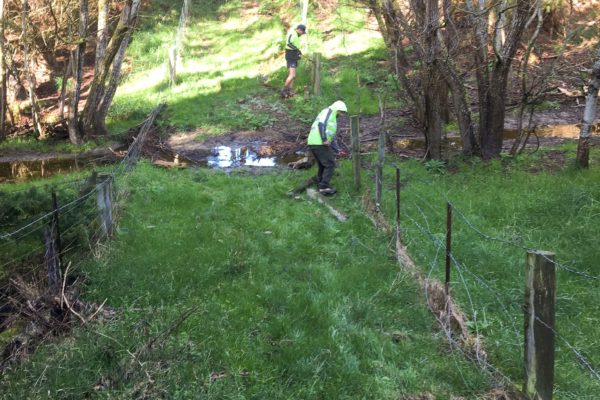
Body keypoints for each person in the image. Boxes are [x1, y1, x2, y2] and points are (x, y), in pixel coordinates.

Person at [307, 100, 348, 195]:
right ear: (337, 109)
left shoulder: (332, 117)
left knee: (323, 164)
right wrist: (324, 139)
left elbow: (332, 138)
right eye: (341, 112)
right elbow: (321, 124)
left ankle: (320, 183)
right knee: (330, 164)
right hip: (319, 142)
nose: (341, 115)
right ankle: (324, 187)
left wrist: (338, 150)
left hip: (314, 142)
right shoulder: (328, 111)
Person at [282, 24, 306, 98]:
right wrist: (296, 50)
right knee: (292, 75)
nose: (302, 34)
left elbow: (295, 45)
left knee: (293, 76)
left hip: (294, 55)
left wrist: (298, 51)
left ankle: (290, 90)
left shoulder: (297, 35)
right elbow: (288, 43)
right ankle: (284, 89)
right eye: (302, 32)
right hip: (290, 55)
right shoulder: (292, 33)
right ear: (299, 30)